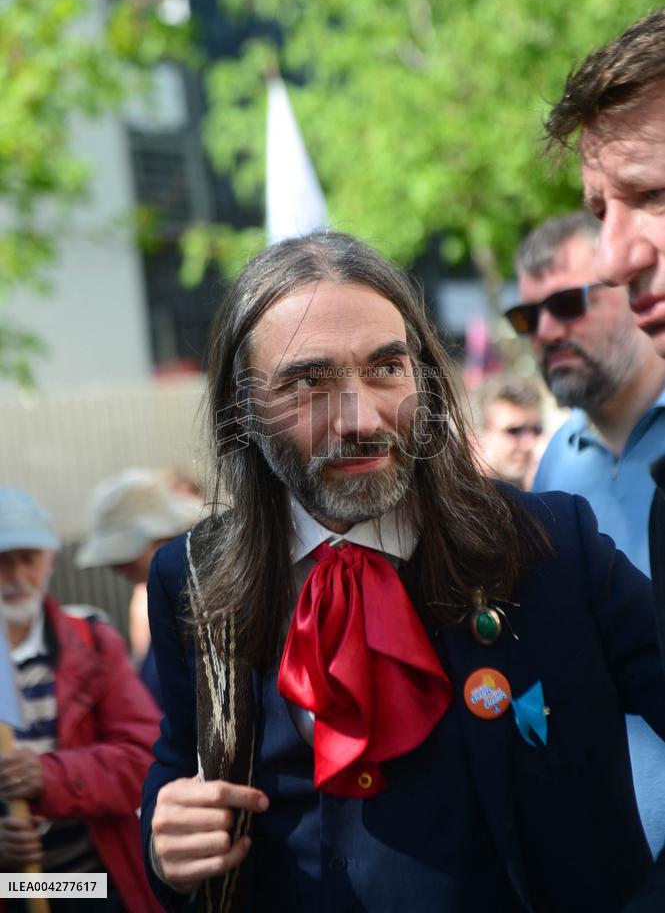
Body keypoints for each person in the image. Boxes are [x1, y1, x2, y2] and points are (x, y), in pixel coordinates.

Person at [142, 232, 665, 913]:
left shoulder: (550, 547)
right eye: (308, 383)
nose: (359, 418)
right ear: (242, 410)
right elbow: (180, 762)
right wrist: (166, 847)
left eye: (386, 368)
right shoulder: (188, 577)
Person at [507, 210, 665, 856]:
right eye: (526, 317)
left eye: (568, 303)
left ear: (630, 290)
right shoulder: (553, 464)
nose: (545, 331)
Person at [0, 488, 162, 912]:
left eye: (28, 558)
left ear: (50, 559)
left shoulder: (92, 643)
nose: (16, 575)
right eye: (1, 561)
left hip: (92, 886)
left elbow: (145, 757)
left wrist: (47, 777)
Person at [75, 468, 202, 710]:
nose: (116, 566)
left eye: (123, 555)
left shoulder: (203, 598)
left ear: (160, 537)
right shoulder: (165, 596)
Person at [468, 373, 544, 489]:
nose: (529, 444)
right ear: (474, 440)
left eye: (536, 430)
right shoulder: (448, 503)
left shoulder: (542, 498)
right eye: (514, 431)